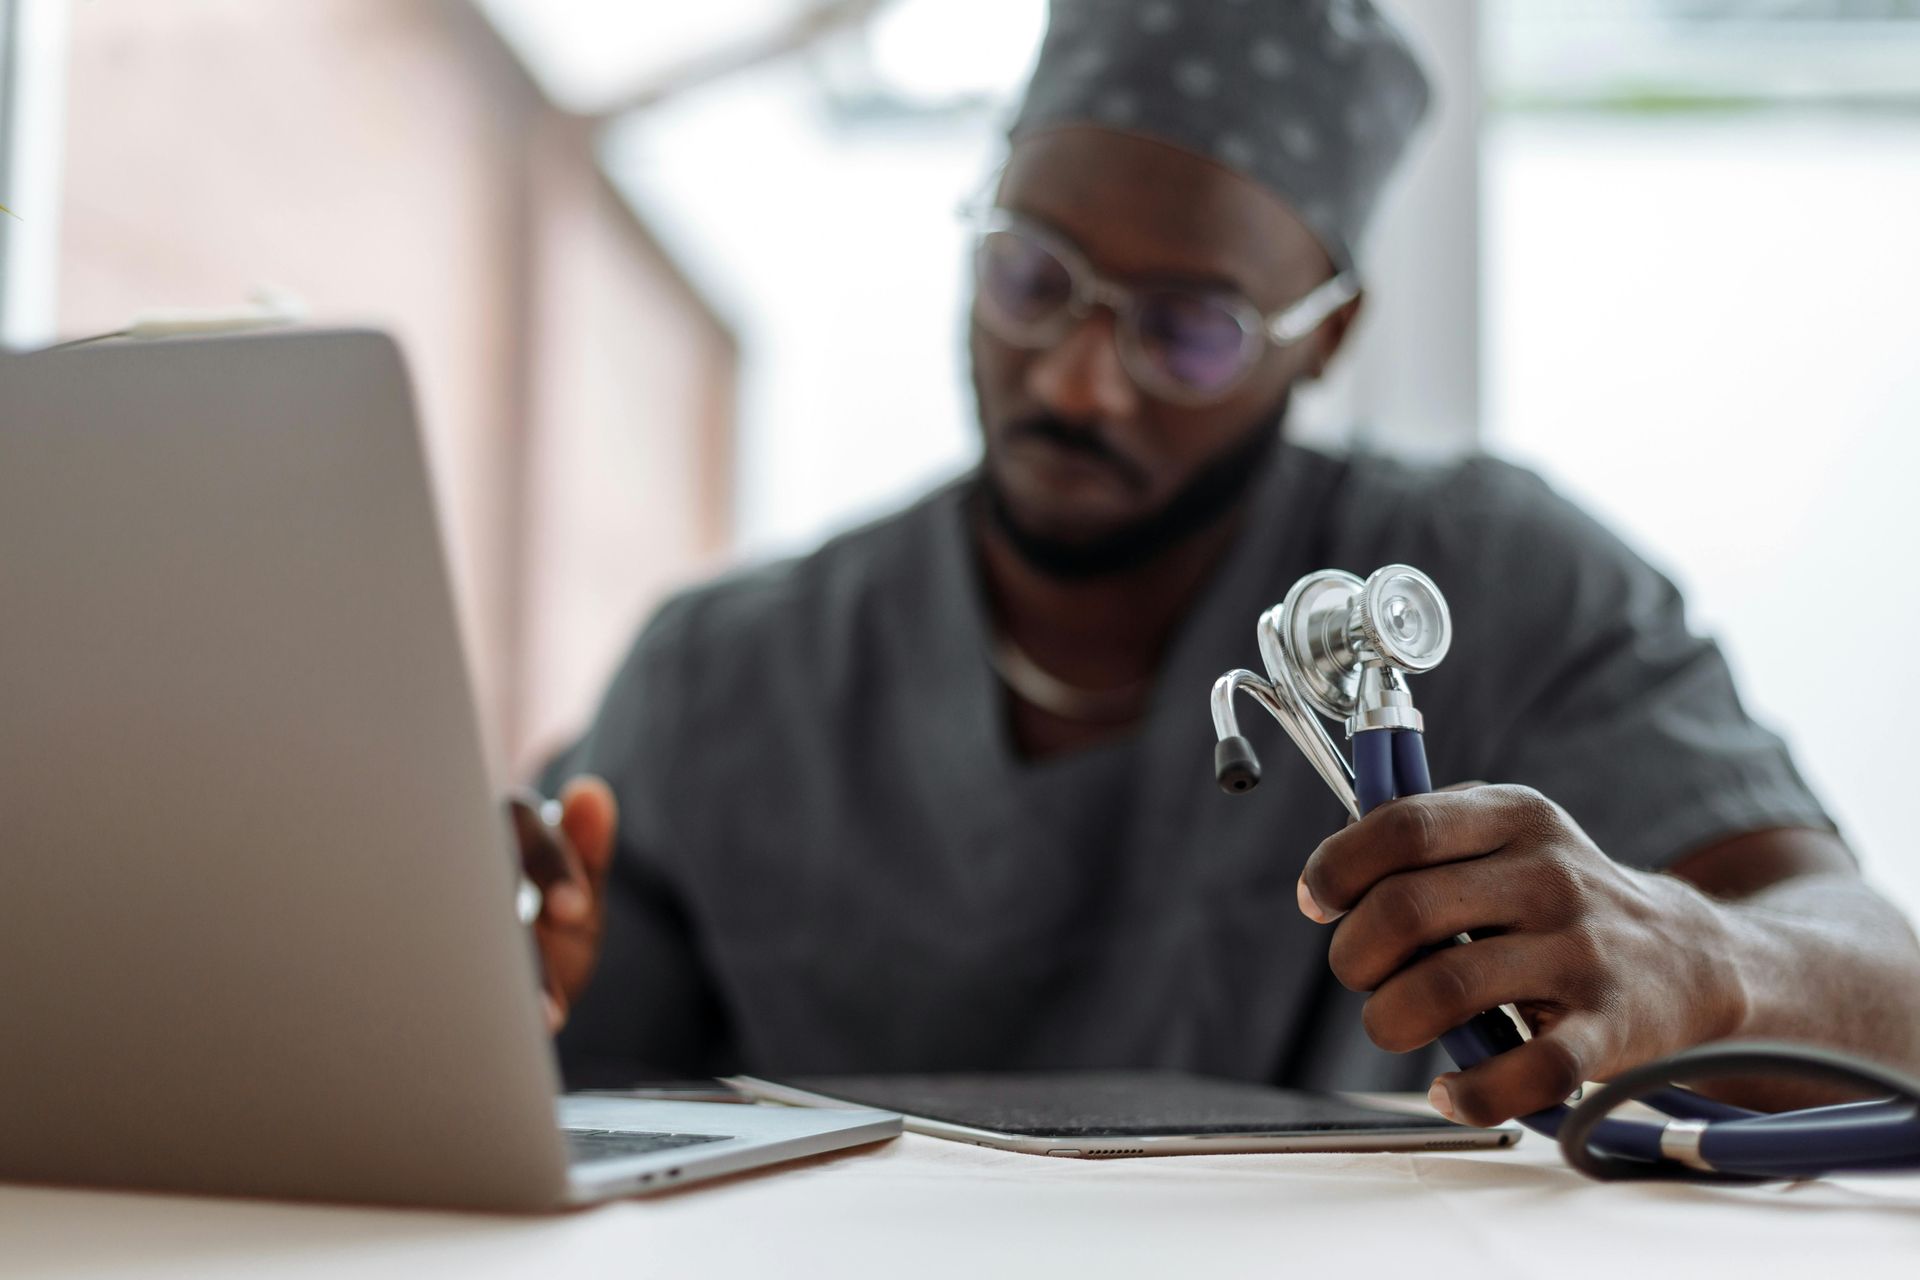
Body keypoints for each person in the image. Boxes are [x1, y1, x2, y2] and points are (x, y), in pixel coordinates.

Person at [518, 0, 1920, 1127]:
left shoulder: (1500, 591)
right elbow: (571, 1105)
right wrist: (487, 990)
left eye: (1188, 329)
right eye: (1032, 277)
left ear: (1327, 333)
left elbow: (1890, 992)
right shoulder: (723, 679)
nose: (1080, 380)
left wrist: (1708, 962)